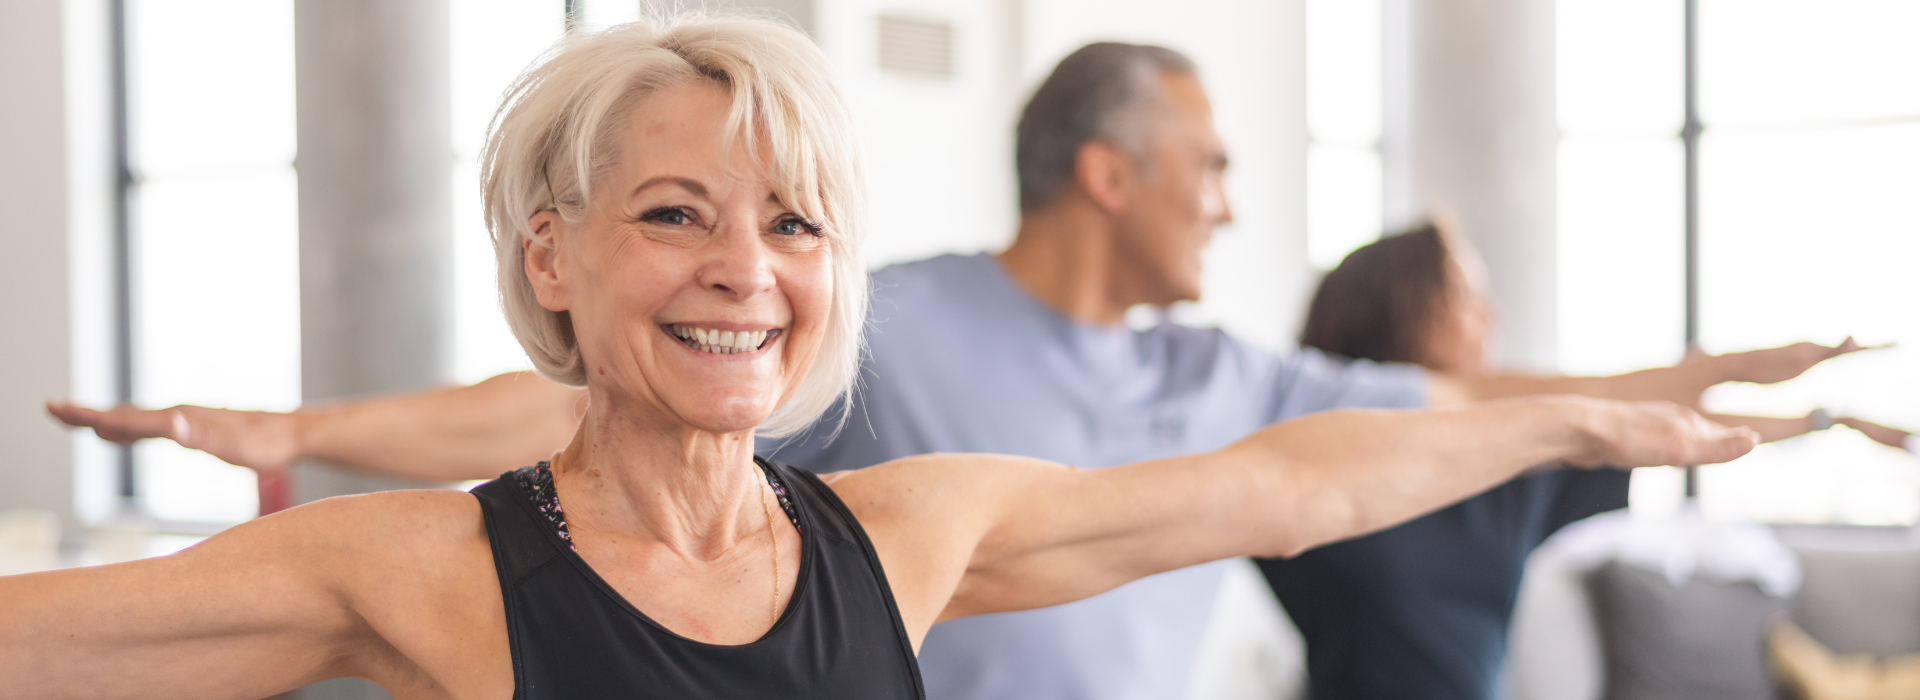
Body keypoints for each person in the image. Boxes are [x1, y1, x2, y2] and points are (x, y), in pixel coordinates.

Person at [2, 15, 1760, 698]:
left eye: (794, 225)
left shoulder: (905, 535)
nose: (744, 275)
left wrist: (1579, 419)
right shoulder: (420, 565)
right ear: (555, 253)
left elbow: (1286, 490)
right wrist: (305, 427)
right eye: (675, 214)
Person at [1259, 222, 1910, 700]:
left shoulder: (1515, 467)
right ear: (1398, 309)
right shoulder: (1307, 459)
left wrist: (1823, 420)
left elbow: (1667, 422)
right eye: (1463, 294)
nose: (1491, 316)